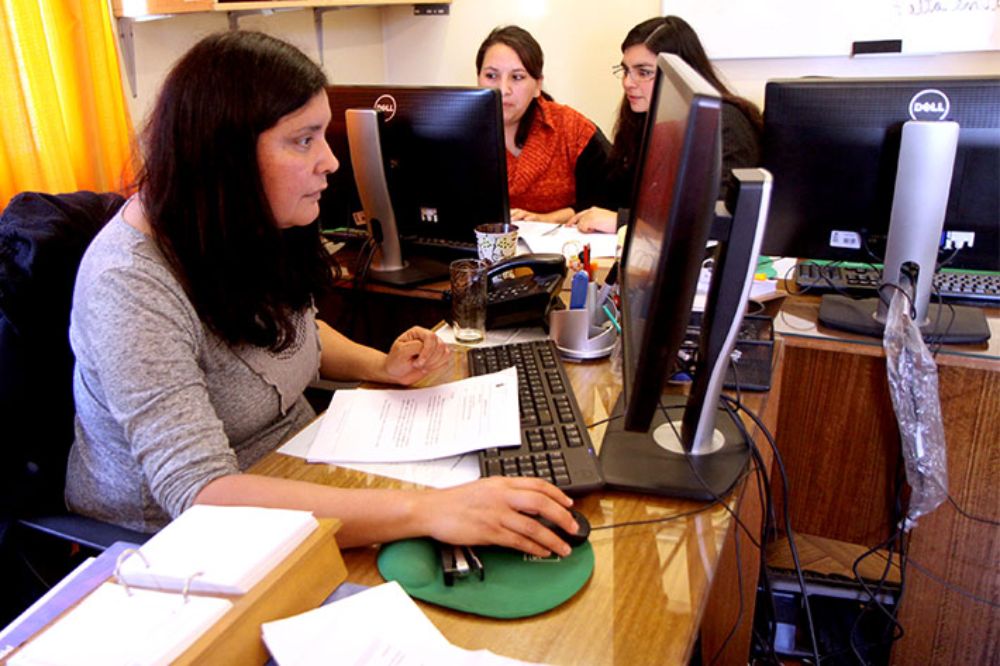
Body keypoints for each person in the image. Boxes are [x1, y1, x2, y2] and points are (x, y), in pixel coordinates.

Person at [65, 31, 579, 558]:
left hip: (296, 471)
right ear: (226, 154)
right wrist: (429, 510)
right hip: (169, 549)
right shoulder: (129, 283)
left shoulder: (240, 220)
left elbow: (291, 332)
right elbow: (203, 497)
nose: (331, 161)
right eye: (304, 140)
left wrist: (381, 366)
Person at [568, 15, 763, 233]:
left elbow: (717, 220)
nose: (628, 83)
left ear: (683, 73)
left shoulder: (725, 124)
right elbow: (615, 197)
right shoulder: (644, 118)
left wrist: (623, 221)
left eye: (643, 72)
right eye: (626, 71)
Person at [476, 26, 610, 224]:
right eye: (491, 76)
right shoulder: (457, 132)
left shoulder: (574, 130)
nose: (503, 90)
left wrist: (546, 219)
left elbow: (607, 204)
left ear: (538, 85)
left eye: (517, 77)